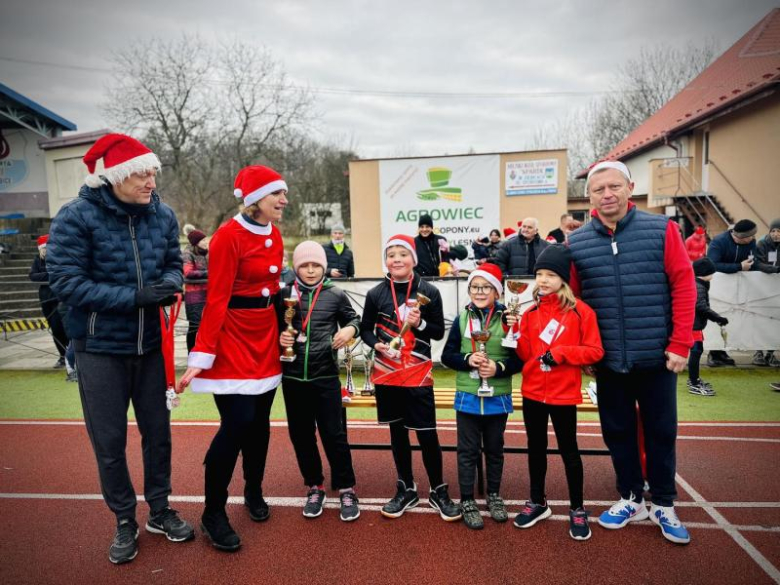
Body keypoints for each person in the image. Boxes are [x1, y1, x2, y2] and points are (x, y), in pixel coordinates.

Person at [46, 133, 193, 565]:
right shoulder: (75, 217)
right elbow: (66, 284)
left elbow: (174, 263)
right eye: (141, 173)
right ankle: (124, 519)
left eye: (152, 172)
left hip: (151, 345)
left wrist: (172, 283)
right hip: (98, 348)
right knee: (109, 441)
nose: (151, 181)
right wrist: (136, 297)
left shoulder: (162, 214)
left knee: (158, 435)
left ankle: (160, 510)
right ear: (115, 177)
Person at [568, 160, 696, 545]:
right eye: (598, 190)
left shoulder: (663, 229)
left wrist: (680, 343)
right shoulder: (575, 242)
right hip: (607, 361)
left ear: (629, 188)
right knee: (618, 432)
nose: (607, 195)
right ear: (588, 196)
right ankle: (630, 497)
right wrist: (585, 352)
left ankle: (664, 503)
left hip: (656, 356)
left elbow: (684, 286)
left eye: (614, 187)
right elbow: (574, 302)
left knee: (661, 431)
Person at [177, 165, 288, 552]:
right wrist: (201, 354)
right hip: (231, 339)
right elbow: (217, 298)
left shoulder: (274, 232)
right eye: (278, 194)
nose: (284, 200)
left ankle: (253, 491)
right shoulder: (227, 237)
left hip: (266, 339)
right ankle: (212, 511)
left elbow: (273, 291)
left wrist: (285, 331)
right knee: (237, 423)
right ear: (257, 198)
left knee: (259, 425)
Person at [359, 234, 460, 521]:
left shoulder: (429, 291)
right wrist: (374, 343)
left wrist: (422, 323)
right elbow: (367, 328)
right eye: (391, 254)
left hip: (417, 371)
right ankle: (406, 487)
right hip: (387, 371)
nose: (396, 259)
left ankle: (439, 490)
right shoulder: (375, 293)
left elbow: (439, 331)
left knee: (427, 432)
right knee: (397, 432)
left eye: (402, 254)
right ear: (386, 261)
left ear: (413, 259)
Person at [508, 245, 603, 541]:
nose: (544, 280)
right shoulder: (529, 312)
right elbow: (525, 354)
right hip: (533, 391)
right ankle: (538, 502)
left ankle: (577, 508)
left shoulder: (581, 312)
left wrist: (561, 353)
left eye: (550, 274)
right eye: (539, 274)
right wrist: (513, 331)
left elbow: (595, 351)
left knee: (569, 452)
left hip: (563, 393)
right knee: (535, 449)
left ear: (563, 278)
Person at [278, 241, 361, 521]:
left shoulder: (335, 294)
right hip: (292, 377)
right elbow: (272, 328)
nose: (311, 270)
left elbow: (355, 320)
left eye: (316, 265)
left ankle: (347, 488)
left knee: (333, 434)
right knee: (301, 435)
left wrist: (349, 328)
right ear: (296, 267)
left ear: (323, 267)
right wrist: (280, 337)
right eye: (305, 265)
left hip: (325, 375)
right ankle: (315, 485)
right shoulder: (284, 295)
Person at [440, 263, 522, 530]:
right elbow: (446, 356)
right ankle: (466, 499)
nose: (479, 291)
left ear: (496, 292)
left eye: (485, 287)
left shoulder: (509, 319)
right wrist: (468, 359)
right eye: (474, 286)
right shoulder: (462, 319)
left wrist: (498, 368)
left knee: (495, 449)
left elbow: (520, 359)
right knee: (467, 450)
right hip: (468, 394)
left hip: (497, 394)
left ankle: (494, 495)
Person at [706, 219, 758, 366]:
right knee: (716, 319)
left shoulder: (750, 242)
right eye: (750, 237)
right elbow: (713, 264)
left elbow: (752, 260)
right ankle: (713, 353)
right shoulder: (719, 242)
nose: (753, 239)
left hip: (738, 288)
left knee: (732, 320)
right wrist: (739, 267)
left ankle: (723, 352)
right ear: (740, 237)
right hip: (717, 289)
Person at [28, 234, 69, 368]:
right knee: (53, 327)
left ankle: (69, 354)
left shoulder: (59, 258)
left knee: (60, 326)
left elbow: (60, 272)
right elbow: (33, 276)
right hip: (45, 298)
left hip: (58, 296)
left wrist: (48, 274)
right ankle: (62, 355)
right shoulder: (37, 260)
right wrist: (49, 274)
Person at [688, 257, 728, 396]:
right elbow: (701, 307)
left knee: (697, 351)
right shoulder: (698, 286)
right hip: (693, 325)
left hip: (694, 324)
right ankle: (694, 383)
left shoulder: (699, 284)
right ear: (705, 273)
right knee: (696, 351)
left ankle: (694, 379)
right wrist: (718, 318)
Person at [753, 219, 780, 367]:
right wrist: (775, 270)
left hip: (777, 290)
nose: (776, 234)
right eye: (773, 231)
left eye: (779, 231)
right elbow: (758, 263)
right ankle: (758, 352)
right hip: (762, 287)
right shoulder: (762, 244)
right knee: (761, 319)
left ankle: (770, 353)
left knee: (775, 321)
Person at [182, 229, 209, 353]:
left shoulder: (208, 253)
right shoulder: (188, 254)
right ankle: (191, 353)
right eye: (203, 240)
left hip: (208, 295)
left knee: (207, 327)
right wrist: (209, 273)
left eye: (205, 239)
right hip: (194, 297)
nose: (206, 241)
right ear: (196, 243)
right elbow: (188, 273)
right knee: (194, 327)